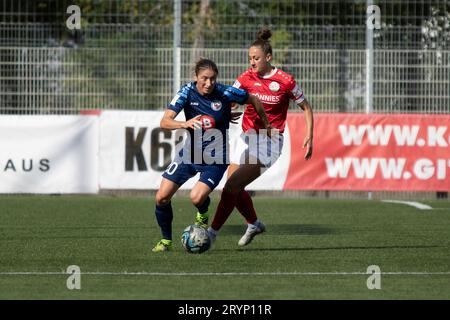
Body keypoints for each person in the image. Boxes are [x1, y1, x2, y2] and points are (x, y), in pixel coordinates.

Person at [207, 28, 314, 246]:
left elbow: (306, 106)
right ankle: (254, 223)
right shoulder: (245, 78)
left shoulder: (285, 81)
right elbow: (231, 100)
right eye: (250, 58)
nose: (252, 62)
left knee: (231, 187)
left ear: (268, 57)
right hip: (245, 138)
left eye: (256, 58)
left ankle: (211, 233)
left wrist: (310, 135)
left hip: (269, 142)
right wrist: (222, 110)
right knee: (233, 186)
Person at [152, 58, 271, 252]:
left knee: (196, 198)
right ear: (195, 77)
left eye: (213, 79)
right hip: (189, 154)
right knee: (161, 197)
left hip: (215, 158)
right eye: (204, 79)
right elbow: (165, 121)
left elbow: (254, 100)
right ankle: (166, 241)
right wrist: (184, 124)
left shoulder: (225, 92)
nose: (209, 83)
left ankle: (203, 213)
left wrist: (265, 124)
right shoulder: (186, 92)